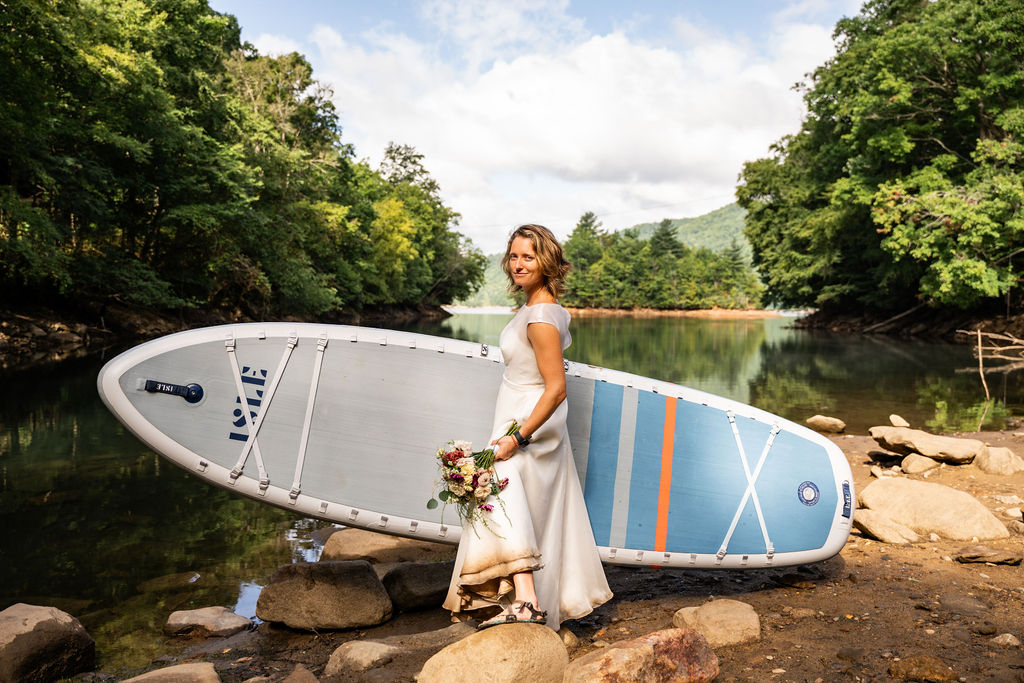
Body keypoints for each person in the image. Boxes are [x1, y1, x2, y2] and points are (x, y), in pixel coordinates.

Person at [442, 224, 613, 631]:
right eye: (514, 256)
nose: (518, 265)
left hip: (530, 424)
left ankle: (527, 600)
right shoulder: (540, 308)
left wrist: (516, 437)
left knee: (498, 489)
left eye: (528, 257)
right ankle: (525, 598)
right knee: (521, 505)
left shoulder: (539, 317)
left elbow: (556, 389)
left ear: (547, 262)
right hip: (521, 417)